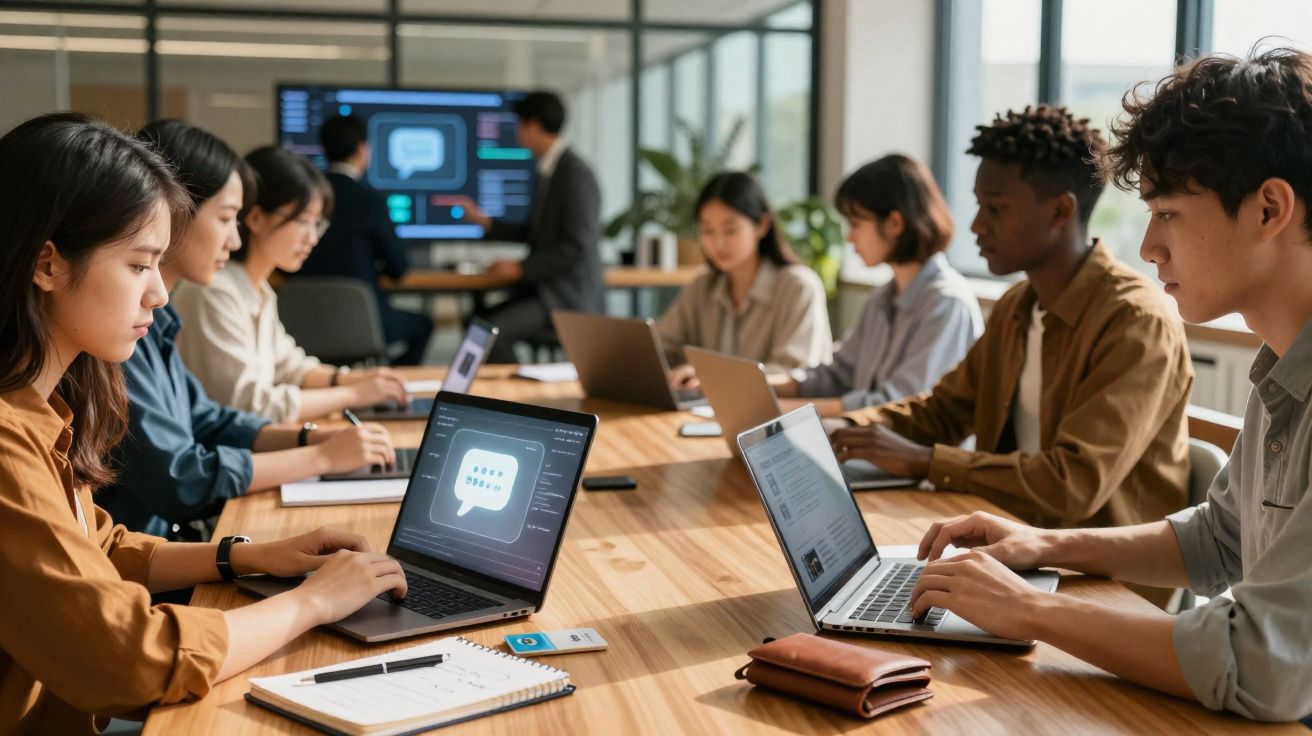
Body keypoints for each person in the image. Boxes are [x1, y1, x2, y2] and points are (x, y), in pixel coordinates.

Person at [908, 48, 1312, 724]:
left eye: (1169, 213)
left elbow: (1260, 665)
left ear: (1269, 208)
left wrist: (1028, 608)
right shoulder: (1282, 366)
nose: (1149, 246)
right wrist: (1044, 544)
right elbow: (1221, 539)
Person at [0, 112, 408, 735]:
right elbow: (129, 657)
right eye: (139, 266)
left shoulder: (49, 405)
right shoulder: (7, 438)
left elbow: (99, 545)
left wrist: (247, 556)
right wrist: (313, 602)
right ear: (48, 265)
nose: (159, 295)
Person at [830, 105, 1192, 530]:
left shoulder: (1136, 322)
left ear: (1059, 212)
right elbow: (942, 413)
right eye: (979, 206)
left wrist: (927, 461)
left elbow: (1071, 485)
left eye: (995, 209)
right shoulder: (1018, 305)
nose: (977, 226)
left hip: (1096, 574)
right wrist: (843, 431)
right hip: (1006, 540)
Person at [96, 123, 397, 539]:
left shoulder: (158, 319)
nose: (235, 240)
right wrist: (321, 455)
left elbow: (210, 420)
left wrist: (312, 439)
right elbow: (183, 480)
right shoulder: (117, 333)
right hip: (160, 546)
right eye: (226, 218)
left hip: (165, 545)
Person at [171, 139, 409, 423]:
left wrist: (355, 380)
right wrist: (354, 394)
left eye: (317, 223)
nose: (312, 238)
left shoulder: (258, 288)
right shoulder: (213, 291)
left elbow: (289, 366)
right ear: (256, 217)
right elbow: (250, 406)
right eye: (302, 221)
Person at [774, 154, 983, 417]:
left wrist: (786, 411)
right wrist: (765, 387)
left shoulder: (947, 304)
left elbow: (898, 406)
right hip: (865, 450)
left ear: (895, 223)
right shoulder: (882, 298)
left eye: (856, 224)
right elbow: (837, 374)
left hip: (908, 455)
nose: (850, 238)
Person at [461, 91, 604, 363]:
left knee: (489, 334)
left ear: (534, 126)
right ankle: (499, 399)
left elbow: (576, 246)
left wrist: (521, 268)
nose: (517, 133)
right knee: (478, 324)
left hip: (564, 298)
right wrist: (486, 222)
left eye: (519, 125)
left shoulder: (574, 174)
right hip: (543, 291)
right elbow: (537, 232)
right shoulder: (549, 171)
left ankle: (514, 403)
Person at [658, 171, 833, 387]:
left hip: (776, 416)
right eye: (707, 231)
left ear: (762, 225)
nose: (718, 243)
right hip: (708, 413)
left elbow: (796, 374)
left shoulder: (798, 286)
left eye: (730, 230)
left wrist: (713, 377)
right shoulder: (703, 286)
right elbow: (660, 347)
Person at [295, 114, 432, 365]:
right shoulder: (370, 201)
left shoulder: (303, 199)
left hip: (304, 323)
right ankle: (393, 391)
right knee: (423, 325)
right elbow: (398, 269)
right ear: (362, 149)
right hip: (363, 323)